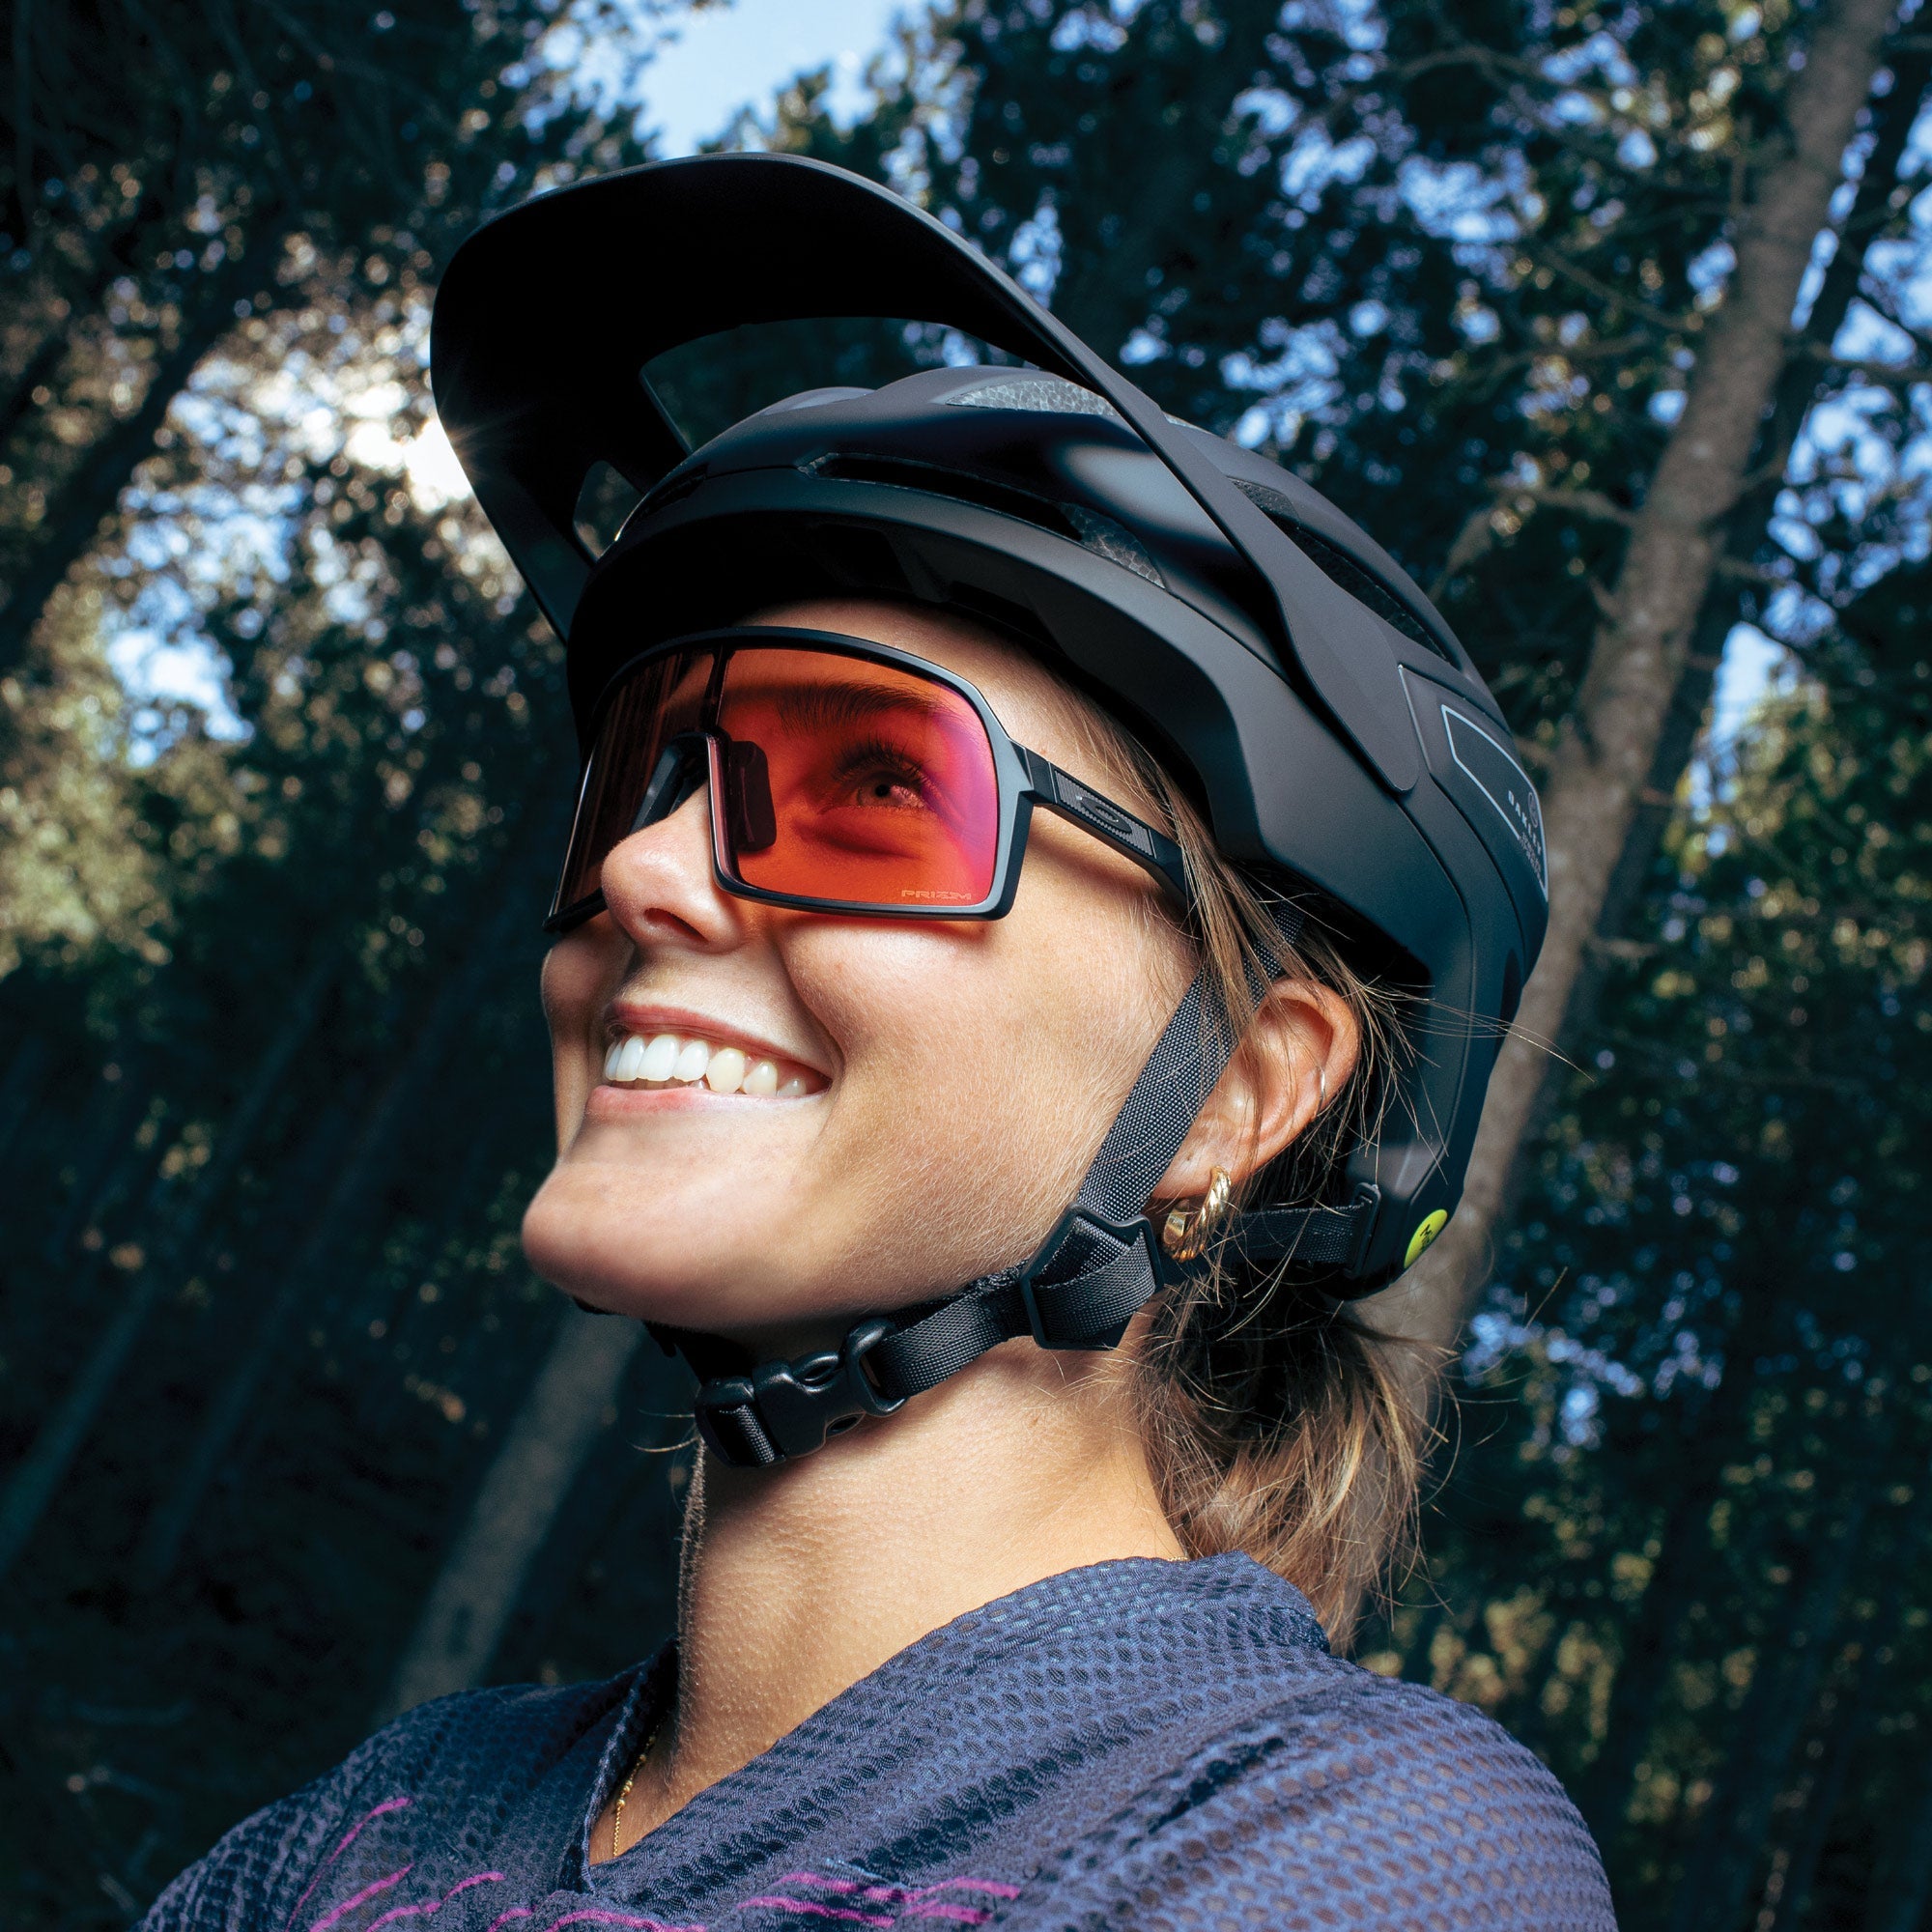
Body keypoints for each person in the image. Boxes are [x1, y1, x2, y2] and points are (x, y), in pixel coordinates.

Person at [141, 156, 1612, 1931]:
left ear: (1241, 1092)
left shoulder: (1363, 1845)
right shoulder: (385, 1817)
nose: (644, 871)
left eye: (881, 788)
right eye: (649, 784)